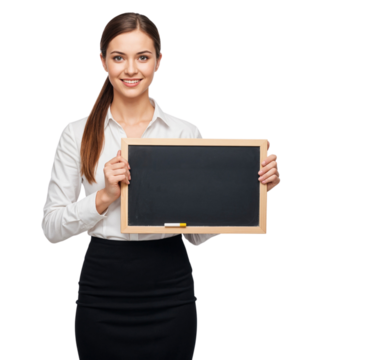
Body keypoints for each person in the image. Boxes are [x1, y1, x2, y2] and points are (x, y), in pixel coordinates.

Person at [41, 10, 280, 360]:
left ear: (158, 61)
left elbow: (196, 234)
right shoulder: (75, 133)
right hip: (102, 288)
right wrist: (105, 196)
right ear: (103, 61)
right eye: (119, 57)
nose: (131, 69)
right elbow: (51, 229)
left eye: (142, 57)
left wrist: (250, 189)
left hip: (170, 288)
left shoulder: (185, 132)